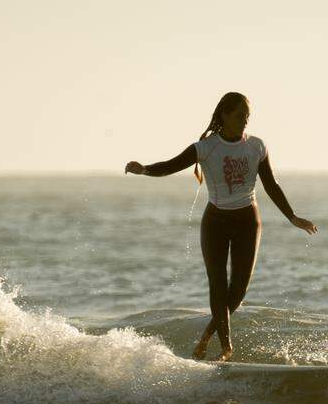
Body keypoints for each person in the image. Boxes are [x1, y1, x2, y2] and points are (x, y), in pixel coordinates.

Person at [124, 92, 318, 362]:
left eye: (247, 116)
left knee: (237, 293)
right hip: (215, 222)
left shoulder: (257, 147)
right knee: (217, 285)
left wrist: (292, 217)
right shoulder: (206, 148)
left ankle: (204, 339)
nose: (245, 121)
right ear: (224, 115)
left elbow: (271, 184)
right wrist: (144, 169)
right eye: (240, 116)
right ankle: (227, 348)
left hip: (248, 222)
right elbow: (170, 166)